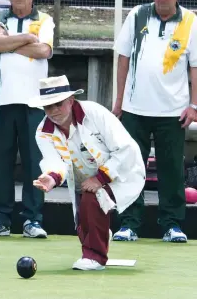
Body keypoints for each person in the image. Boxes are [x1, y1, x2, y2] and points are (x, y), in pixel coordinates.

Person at [112, 0, 197, 243]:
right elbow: (123, 58)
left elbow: (195, 68)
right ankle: (129, 223)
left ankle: (172, 224)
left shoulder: (191, 21)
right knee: (131, 165)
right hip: (134, 108)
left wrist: (194, 105)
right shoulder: (136, 14)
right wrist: (119, 102)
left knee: (172, 169)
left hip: (173, 111)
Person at [29, 75, 146, 270]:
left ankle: (96, 258)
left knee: (93, 199)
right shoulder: (43, 131)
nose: (54, 111)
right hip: (82, 179)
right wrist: (51, 177)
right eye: (48, 107)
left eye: (58, 104)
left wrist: (101, 178)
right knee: (82, 224)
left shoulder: (95, 113)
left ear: (70, 100)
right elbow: (54, 160)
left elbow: (127, 149)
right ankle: (97, 237)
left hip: (121, 170)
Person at [0, 0, 54, 238]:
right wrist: (28, 39)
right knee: (2, 161)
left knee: (35, 162)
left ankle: (33, 219)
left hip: (34, 102)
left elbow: (44, 51)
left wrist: (10, 42)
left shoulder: (45, 20)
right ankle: (0, 218)